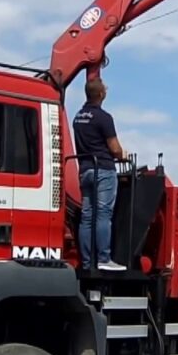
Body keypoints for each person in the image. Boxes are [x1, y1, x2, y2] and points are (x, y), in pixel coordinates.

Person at [73, 77, 127, 271]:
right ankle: (104, 259)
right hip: (103, 170)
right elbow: (115, 149)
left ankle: (87, 262)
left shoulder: (78, 117)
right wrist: (123, 155)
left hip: (85, 170)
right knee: (103, 214)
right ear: (101, 94)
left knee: (87, 217)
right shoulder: (104, 118)